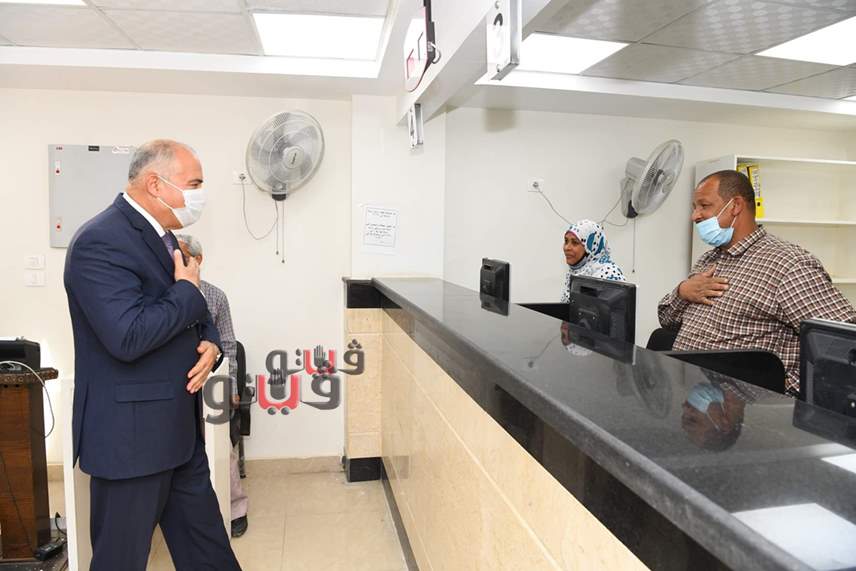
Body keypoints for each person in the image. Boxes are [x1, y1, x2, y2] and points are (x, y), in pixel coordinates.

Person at [64, 140, 241, 571]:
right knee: (120, 561)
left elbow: (195, 314)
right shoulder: (100, 241)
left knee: (210, 555)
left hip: (178, 434)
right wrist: (188, 292)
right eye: (194, 184)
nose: (200, 194)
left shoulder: (164, 238)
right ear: (155, 184)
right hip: (131, 441)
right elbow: (127, 335)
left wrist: (212, 343)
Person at [658, 170, 856, 394]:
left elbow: (843, 346)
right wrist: (682, 292)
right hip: (688, 395)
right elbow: (667, 321)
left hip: (742, 409)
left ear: (735, 206)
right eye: (695, 207)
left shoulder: (787, 265)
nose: (694, 216)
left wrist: (776, 393)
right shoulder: (709, 259)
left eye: (704, 206)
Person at [176, 234, 250, 539]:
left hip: (211, 385)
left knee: (221, 449)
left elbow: (228, 345)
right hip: (174, 387)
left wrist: (231, 387)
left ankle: (236, 509)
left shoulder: (215, 297)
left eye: (182, 256)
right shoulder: (163, 295)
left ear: (198, 260)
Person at [561, 219, 625, 302]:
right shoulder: (576, 272)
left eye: (575, 243)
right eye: (566, 241)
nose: (567, 248)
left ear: (591, 246)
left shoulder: (609, 275)